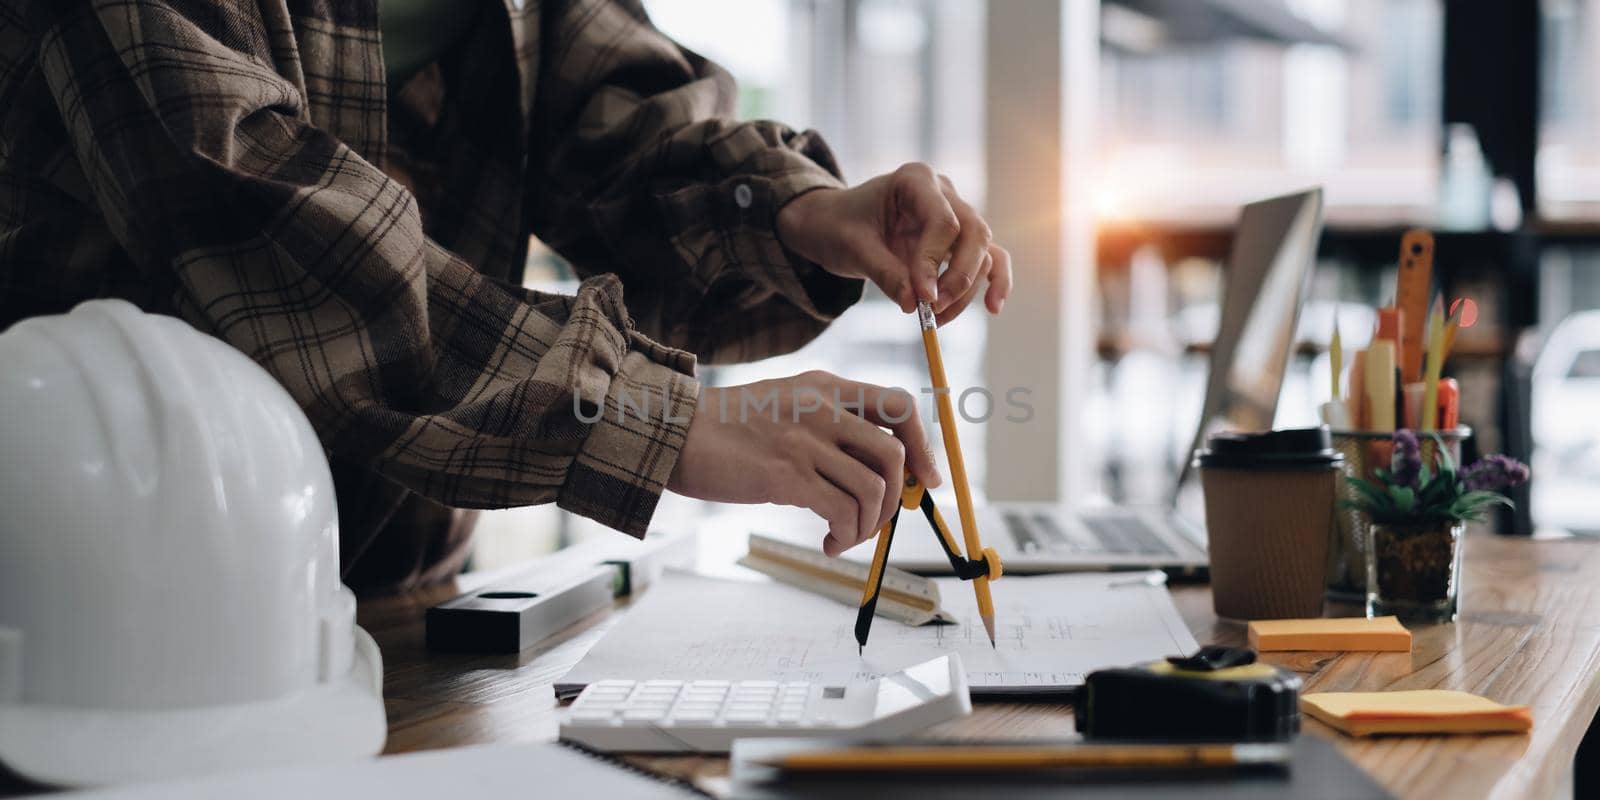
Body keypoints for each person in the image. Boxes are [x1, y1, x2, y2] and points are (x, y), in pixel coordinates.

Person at [0, 0, 1011, 593]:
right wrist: (664, 417)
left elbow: (625, 128)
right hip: (98, 605)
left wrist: (804, 214)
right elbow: (267, 229)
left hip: (402, 598)